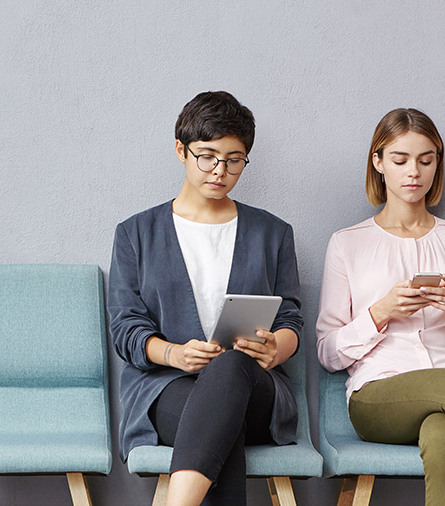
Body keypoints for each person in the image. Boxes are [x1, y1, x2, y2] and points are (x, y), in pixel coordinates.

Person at [316, 108, 445, 505]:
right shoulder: (348, 243)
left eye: (426, 160)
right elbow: (327, 353)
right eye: (400, 160)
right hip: (378, 396)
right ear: (378, 163)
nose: (414, 172)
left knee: (442, 435)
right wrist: (382, 312)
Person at [107, 91, 302, 506]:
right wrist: (174, 354)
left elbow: (290, 318)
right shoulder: (135, 234)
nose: (221, 171)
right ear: (181, 150)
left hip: (256, 391)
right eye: (208, 156)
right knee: (214, 428)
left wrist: (275, 349)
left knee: (232, 368)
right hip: (167, 388)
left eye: (234, 160)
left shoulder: (273, 233)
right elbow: (125, 327)